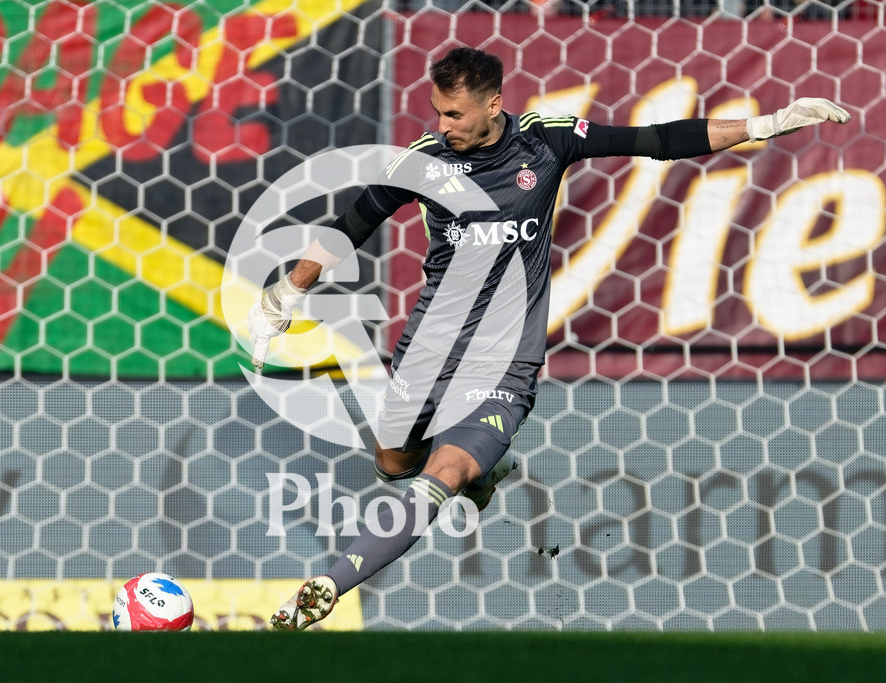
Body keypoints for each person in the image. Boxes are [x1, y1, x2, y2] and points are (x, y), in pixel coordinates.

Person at [247, 47, 850, 630]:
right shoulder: (423, 162)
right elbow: (352, 223)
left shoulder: (547, 138)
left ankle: (327, 586)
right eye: (436, 111)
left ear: (493, 105)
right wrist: (286, 294)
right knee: (394, 462)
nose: (442, 124)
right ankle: (486, 472)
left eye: (454, 114)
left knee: (443, 475)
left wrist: (766, 124)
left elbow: (658, 140)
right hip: (429, 351)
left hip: (507, 362)